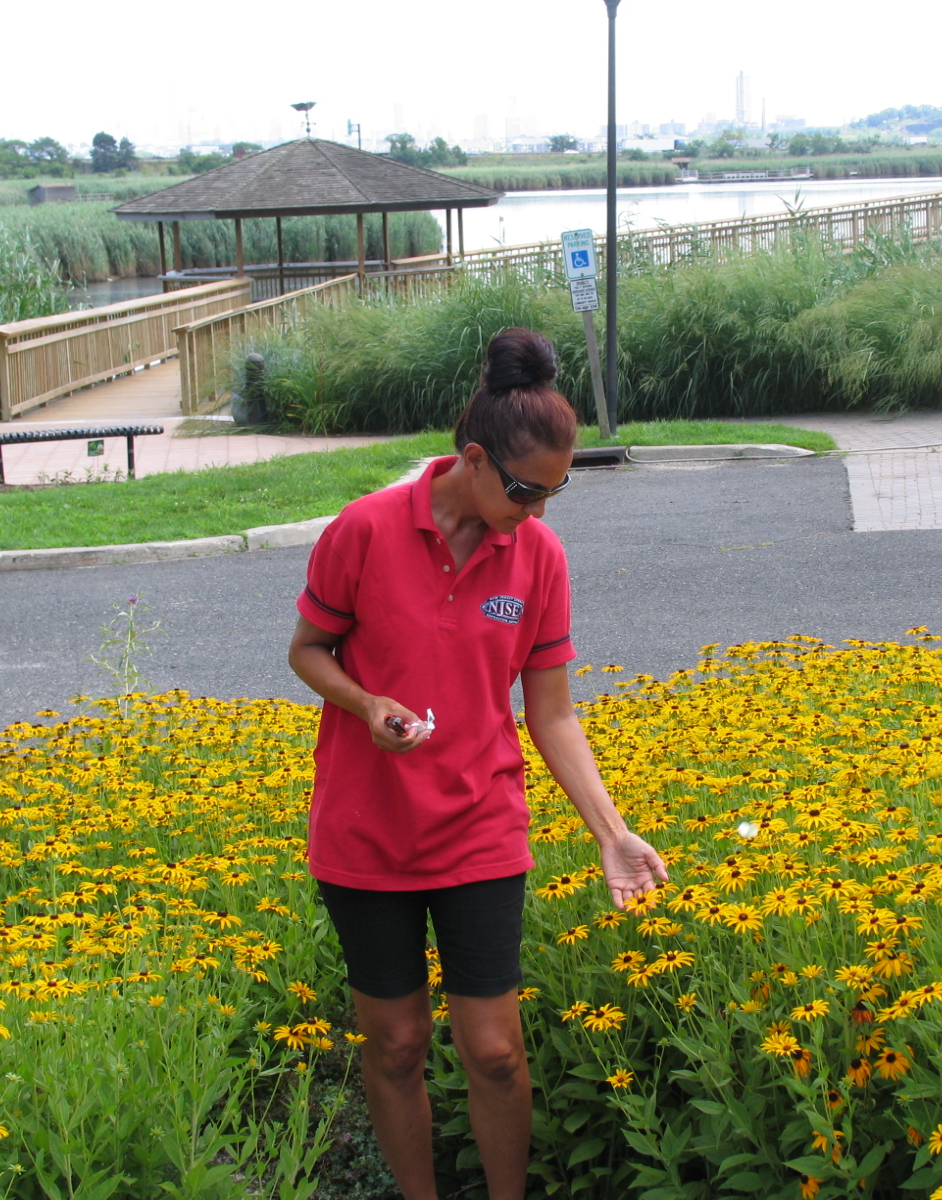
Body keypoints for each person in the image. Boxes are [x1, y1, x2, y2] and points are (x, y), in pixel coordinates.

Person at [288, 327, 667, 1200]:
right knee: (397, 1045)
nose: (539, 512)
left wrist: (610, 832)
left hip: (480, 829)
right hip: (366, 832)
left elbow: (553, 713)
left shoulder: (538, 557)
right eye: (527, 491)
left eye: (556, 492)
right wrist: (366, 704)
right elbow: (308, 649)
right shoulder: (365, 529)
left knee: (494, 1051)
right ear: (473, 460)